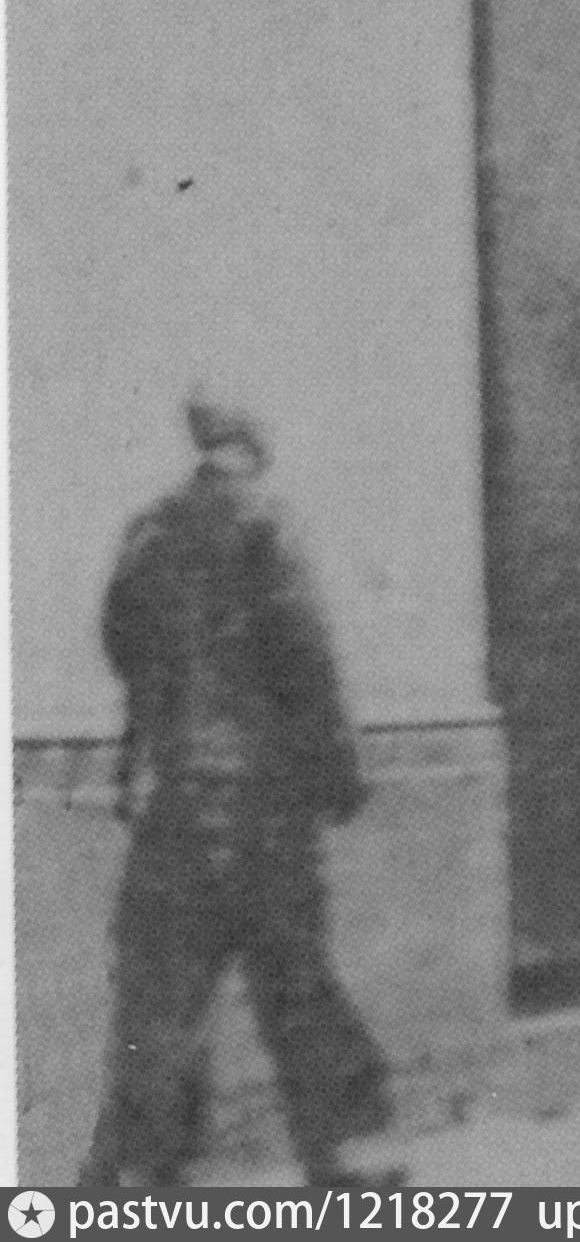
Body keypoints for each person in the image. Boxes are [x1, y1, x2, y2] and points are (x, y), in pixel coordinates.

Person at [80, 391, 398, 1189]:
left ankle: (132, 1173)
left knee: (161, 999)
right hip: (265, 805)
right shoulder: (268, 524)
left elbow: (119, 642)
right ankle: (334, 1160)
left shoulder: (150, 530)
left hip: (174, 798)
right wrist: (339, 770)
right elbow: (306, 654)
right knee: (296, 984)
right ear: (253, 440)